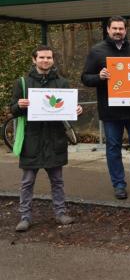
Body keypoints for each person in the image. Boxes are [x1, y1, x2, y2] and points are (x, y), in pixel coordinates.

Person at [81, 16, 130, 200]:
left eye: (121, 28)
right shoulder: (97, 51)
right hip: (111, 111)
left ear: (126, 30)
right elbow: (85, 78)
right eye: (114, 28)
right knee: (113, 147)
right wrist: (99, 76)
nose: (117, 31)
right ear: (108, 30)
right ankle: (119, 185)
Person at [11, 45, 83, 232]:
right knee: (27, 181)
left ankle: (60, 213)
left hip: (55, 138)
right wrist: (19, 105)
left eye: (49, 57)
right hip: (32, 139)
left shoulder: (62, 83)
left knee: (57, 180)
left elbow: (68, 110)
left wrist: (77, 111)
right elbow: (13, 109)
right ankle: (25, 217)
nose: (45, 60)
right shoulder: (23, 83)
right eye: (42, 57)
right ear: (34, 59)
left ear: (53, 60)